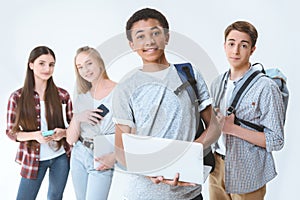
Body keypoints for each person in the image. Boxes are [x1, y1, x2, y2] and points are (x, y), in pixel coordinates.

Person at [112, 8, 219, 200]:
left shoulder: (189, 73)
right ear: (131, 44)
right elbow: (121, 149)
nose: (149, 41)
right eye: (140, 36)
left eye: (155, 33)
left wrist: (186, 154)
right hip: (144, 193)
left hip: (189, 193)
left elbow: (214, 127)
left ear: (166, 37)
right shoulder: (125, 87)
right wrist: (149, 170)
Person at [209, 21, 285, 200]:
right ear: (224, 46)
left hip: (248, 172)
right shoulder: (217, 83)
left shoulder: (266, 87)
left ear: (252, 50)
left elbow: (276, 140)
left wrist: (232, 129)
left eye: (243, 45)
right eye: (231, 43)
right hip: (217, 167)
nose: (235, 51)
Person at [6, 46, 73, 200]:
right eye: (42, 63)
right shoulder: (17, 97)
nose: (47, 69)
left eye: (51, 64)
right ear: (31, 65)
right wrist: (35, 136)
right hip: (33, 158)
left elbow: (74, 127)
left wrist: (63, 133)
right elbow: (11, 132)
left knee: (55, 197)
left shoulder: (62, 95)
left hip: (61, 157)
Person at [66, 46, 116, 200]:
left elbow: (131, 131)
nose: (85, 70)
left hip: (101, 153)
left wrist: (115, 157)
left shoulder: (119, 91)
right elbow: (70, 139)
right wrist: (78, 117)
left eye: (89, 63)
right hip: (79, 153)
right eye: (80, 67)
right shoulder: (81, 94)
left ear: (99, 62)